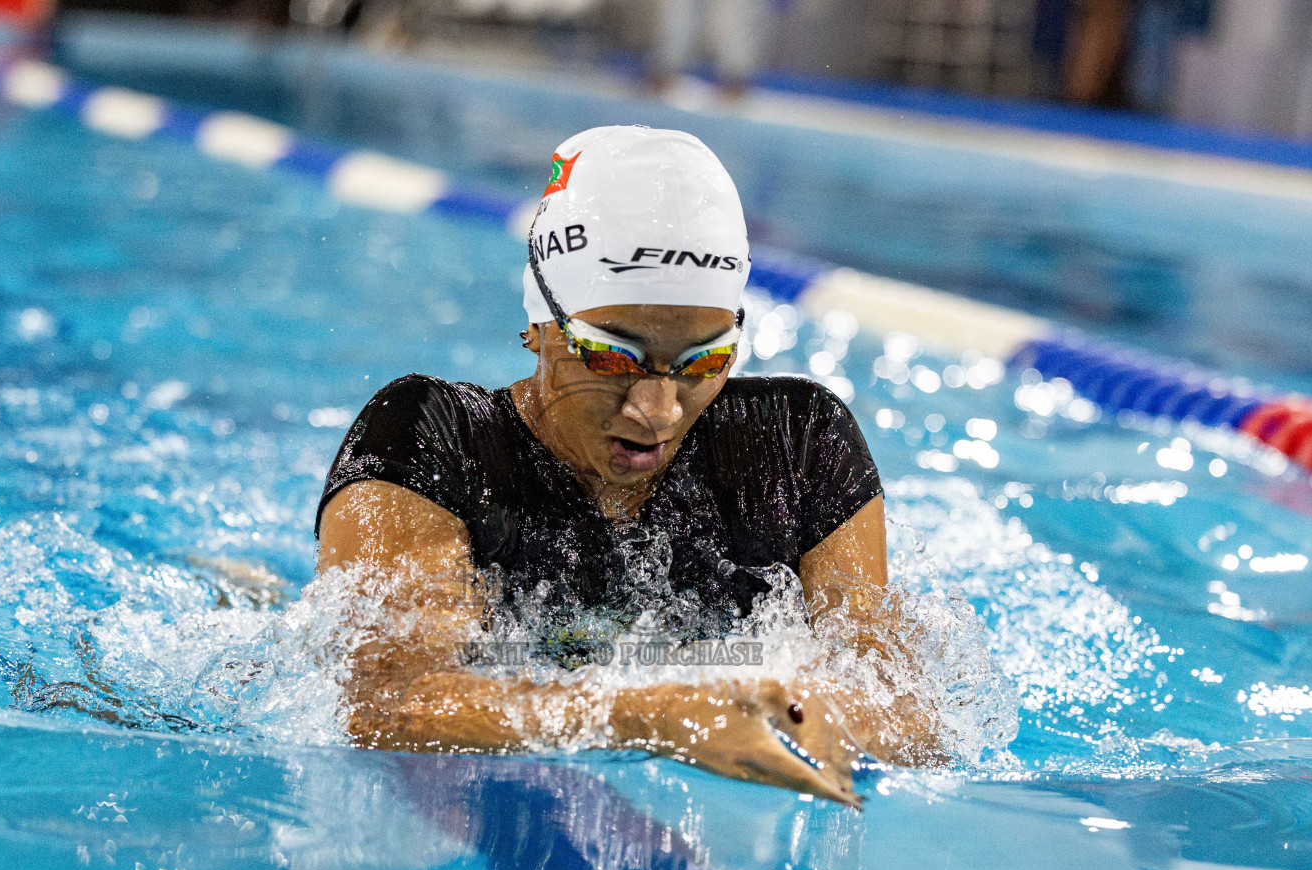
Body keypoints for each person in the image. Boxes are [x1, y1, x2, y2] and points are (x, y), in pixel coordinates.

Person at [316, 125, 938, 807]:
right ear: (539, 324)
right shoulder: (432, 438)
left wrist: (827, 714)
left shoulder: (796, 445)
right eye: (613, 359)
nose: (658, 410)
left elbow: (913, 713)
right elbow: (386, 702)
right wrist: (651, 715)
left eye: (704, 361)